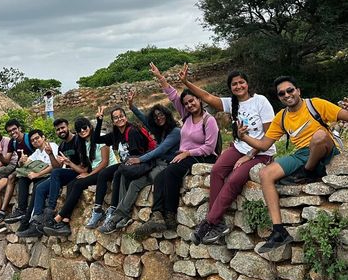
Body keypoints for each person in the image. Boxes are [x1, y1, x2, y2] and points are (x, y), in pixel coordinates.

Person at [236, 75, 348, 252]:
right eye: (282, 94)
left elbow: (345, 116)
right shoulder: (281, 117)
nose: (287, 95)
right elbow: (264, 144)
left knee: (318, 136)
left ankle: (308, 171)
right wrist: (244, 137)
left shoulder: (315, 104)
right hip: (301, 154)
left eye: (290, 90)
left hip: (325, 151)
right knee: (265, 174)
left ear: (298, 91)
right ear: (279, 98)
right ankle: (279, 231)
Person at [180, 65, 275, 245]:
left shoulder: (260, 101)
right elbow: (207, 97)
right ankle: (217, 223)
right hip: (240, 147)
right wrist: (186, 82)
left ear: (247, 84)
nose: (238, 86)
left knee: (234, 179)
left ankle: (209, 222)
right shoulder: (233, 104)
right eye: (234, 84)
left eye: (241, 82)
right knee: (217, 170)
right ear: (230, 88)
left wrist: (250, 154)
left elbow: (269, 134)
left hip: (262, 151)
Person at [134, 63, 219, 237]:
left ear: (199, 100)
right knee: (160, 176)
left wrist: (188, 153)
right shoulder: (186, 116)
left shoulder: (208, 120)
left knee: (171, 172)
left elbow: (210, 147)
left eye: (192, 101)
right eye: (186, 103)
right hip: (185, 155)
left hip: (205, 156)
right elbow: (173, 95)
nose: (189, 105)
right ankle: (157, 214)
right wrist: (160, 77)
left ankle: (170, 216)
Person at [98, 91, 181, 234]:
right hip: (156, 163)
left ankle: (120, 216)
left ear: (168, 115)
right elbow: (145, 120)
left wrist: (140, 159)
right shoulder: (160, 130)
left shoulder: (175, 132)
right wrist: (131, 107)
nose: (159, 118)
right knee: (132, 180)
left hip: (166, 165)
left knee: (139, 177)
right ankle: (120, 216)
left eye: (161, 115)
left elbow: (160, 150)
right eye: (156, 117)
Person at [43, 116, 117, 236]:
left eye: (84, 127)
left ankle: (57, 218)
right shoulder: (84, 143)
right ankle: (65, 221)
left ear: (90, 127)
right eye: (79, 129)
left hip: (108, 170)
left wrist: (88, 175)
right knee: (72, 183)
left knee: (78, 183)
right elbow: (87, 165)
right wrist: (69, 163)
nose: (82, 131)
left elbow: (104, 162)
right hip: (96, 171)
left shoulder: (101, 137)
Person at [85, 105, 155, 229]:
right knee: (103, 174)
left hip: (141, 163)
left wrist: (124, 166)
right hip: (126, 164)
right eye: (116, 118)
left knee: (118, 174)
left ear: (126, 117)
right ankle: (97, 210)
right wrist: (99, 120)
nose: (119, 119)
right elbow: (96, 139)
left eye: (121, 116)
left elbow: (137, 156)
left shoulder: (132, 131)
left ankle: (114, 210)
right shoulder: (116, 134)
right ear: (113, 121)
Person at [16, 118, 86, 238]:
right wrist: (50, 155)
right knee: (40, 188)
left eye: (62, 128)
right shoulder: (62, 145)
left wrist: (70, 164)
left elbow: (84, 165)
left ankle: (50, 210)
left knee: (57, 174)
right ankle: (37, 220)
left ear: (68, 126)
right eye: (58, 129)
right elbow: (57, 166)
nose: (60, 131)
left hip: (79, 172)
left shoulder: (78, 141)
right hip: (68, 172)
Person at [0, 128, 55, 239]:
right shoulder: (36, 152)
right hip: (40, 174)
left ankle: (31, 222)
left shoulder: (52, 146)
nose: (35, 141)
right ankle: (21, 210)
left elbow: (54, 165)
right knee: (22, 178)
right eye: (33, 140)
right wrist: (21, 162)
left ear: (43, 137)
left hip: (49, 175)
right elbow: (25, 164)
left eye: (37, 138)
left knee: (37, 188)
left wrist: (38, 174)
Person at [0, 119, 34, 232]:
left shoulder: (29, 138)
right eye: (10, 131)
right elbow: (6, 160)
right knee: (2, 184)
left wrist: (29, 160)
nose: (12, 132)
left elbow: (40, 151)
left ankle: (4, 212)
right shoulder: (13, 142)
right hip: (21, 167)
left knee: (12, 178)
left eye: (14, 129)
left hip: (31, 167)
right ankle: (0, 217)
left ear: (19, 128)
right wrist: (0, 155)